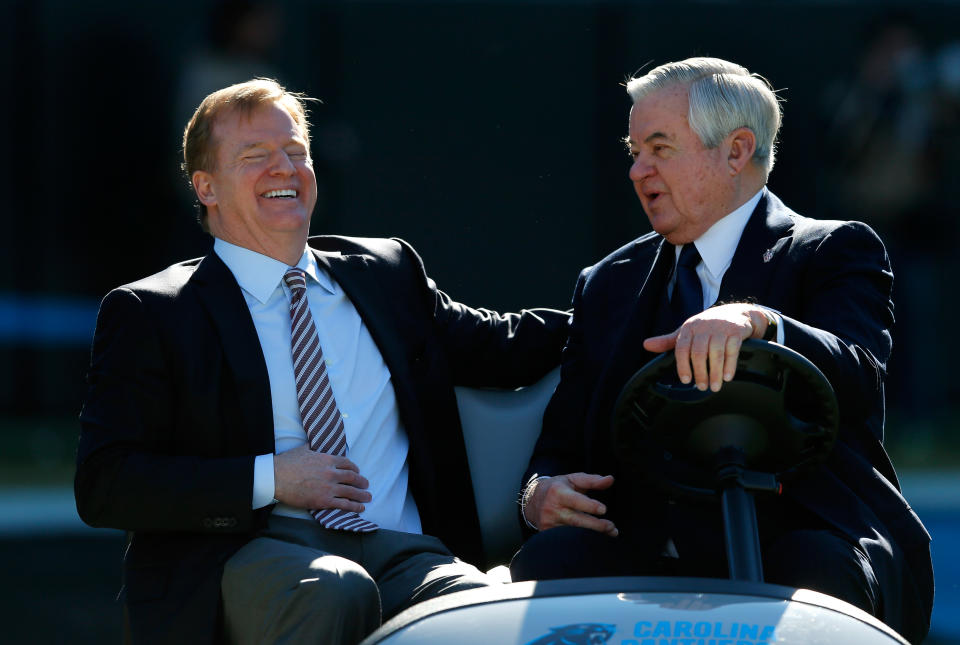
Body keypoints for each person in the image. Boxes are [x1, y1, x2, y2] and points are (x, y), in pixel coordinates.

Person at [75, 78, 568, 645]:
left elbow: (504, 345)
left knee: (483, 613)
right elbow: (106, 484)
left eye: (295, 152)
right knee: (336, 588)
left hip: (405, 551)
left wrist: (652, 313)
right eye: (256, 156)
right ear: (206, 186)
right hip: (254, 550)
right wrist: (272, 478)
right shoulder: (155, 311)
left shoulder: (384, 272)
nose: (284, 168)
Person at [510, 57, 933, 644]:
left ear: (737, 151)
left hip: (794, 537)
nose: (637, 170)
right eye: (634, 150)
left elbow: (859, 374)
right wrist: (539, 495)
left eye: (659, 148)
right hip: (639, 546)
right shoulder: (608, 281)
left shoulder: (832, 251)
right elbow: (557, 447)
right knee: (550, 560)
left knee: (817, 571)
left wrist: (761, 323)